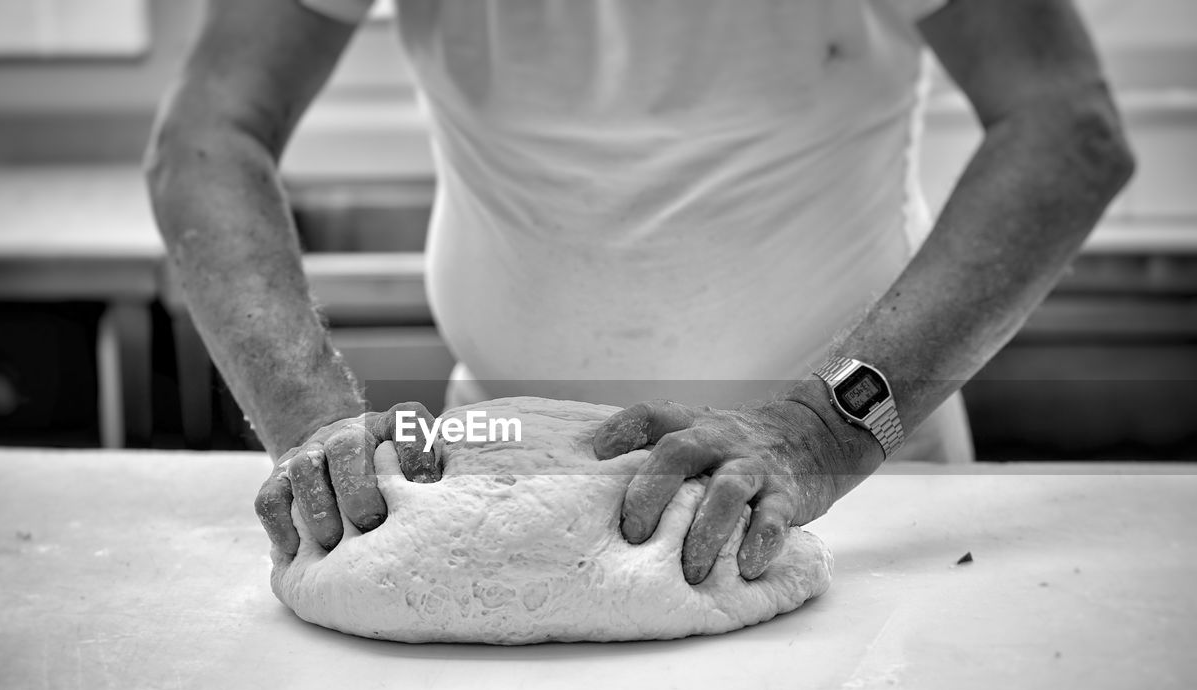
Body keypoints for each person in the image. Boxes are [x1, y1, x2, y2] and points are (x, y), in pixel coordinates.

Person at [147, 0, 1133, 585]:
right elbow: (209, 135)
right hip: (502, 464)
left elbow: (1064, 127)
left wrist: (815, 437)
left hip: (853, 470)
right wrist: (312, 424)